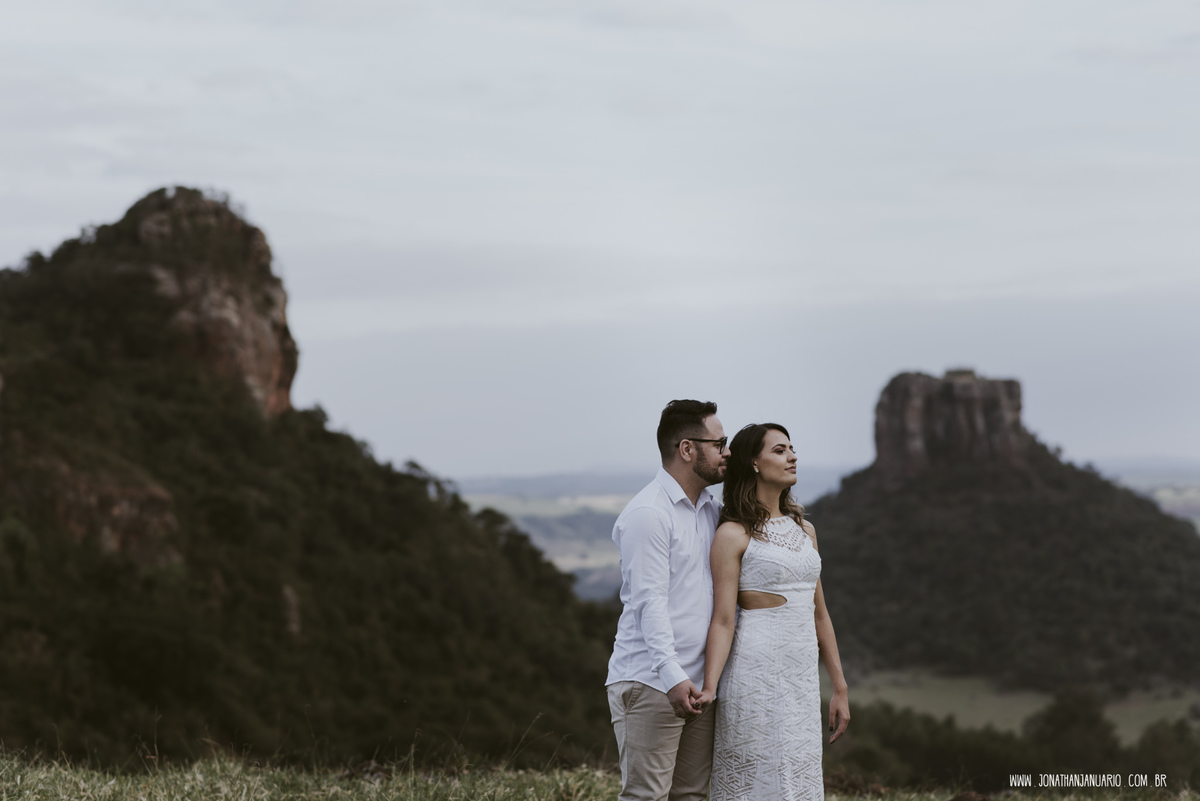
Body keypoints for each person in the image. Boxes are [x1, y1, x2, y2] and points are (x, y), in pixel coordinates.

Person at [698, 423, 850, 801]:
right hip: (754, 673)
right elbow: (723, 620)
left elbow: (820, 614)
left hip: (801, 676)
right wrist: (710, 687)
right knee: (757, 777)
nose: (792, 457)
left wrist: (839, 687)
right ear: (753, 462)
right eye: (780, 450)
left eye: (792, 449)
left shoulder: (805, 530)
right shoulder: (733, 533)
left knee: (797, 776)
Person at [606, 399, 730, 801]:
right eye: (719, 444)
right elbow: (649, 602)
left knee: (691, 795)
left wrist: (705, 681)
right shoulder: (648, 513)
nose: (727, 452)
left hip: (700, 686)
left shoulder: (710, 509)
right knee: (646, 797)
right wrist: (672, 675)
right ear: (687, 449)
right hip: (651, 680)